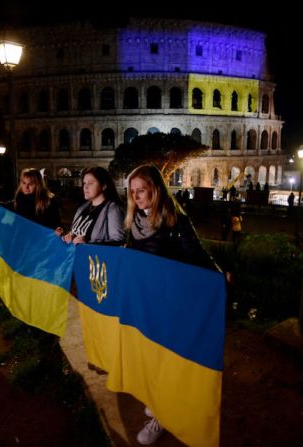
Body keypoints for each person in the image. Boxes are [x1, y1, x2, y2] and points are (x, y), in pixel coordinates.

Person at [124, 164, 220, 445]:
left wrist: (216, 276)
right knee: (151, 357)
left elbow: (196, 253)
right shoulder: (135, 219)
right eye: (133, 192)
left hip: (172, 302)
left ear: (156, 189)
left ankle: (164, 417)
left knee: (166, 360)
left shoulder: (173, 219)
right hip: (147, 302)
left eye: (142, 191)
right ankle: (158, 401)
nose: (137, 197)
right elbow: (135, 253)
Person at [0, 168, 62, 233]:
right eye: (24, 183)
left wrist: (58, 229)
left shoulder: (48, 200)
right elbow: (6, 206)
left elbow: (56, 222)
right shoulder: (20, 198)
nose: (26, 187)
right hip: (23, 241)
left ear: (38, 185)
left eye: (31, 184)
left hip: (41, 243)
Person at [61, 166, 125, 245]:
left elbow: (118, 242)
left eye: (91, 183)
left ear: (104, 186)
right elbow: (76, 232)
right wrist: (68, 235)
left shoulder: (113, 209)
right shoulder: (83, 208)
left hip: (94, 257)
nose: (85, 187)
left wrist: (89, 244)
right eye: (84, 183)